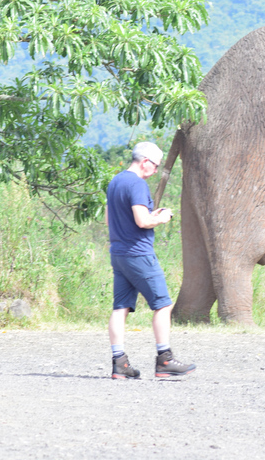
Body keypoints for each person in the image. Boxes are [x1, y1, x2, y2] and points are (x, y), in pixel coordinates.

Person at [105, 141, 195, 379]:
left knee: (120, 307)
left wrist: (148, 215)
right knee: (163, 304)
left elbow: (110, 218)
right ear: (145, 162)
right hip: (139, 253)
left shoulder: (115, 182)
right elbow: (142, 222)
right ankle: (164, 360)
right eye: (154, 166)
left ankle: (119, 363)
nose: (155, 171)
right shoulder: (137, 184)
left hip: (118, 253)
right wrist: (163, 217)